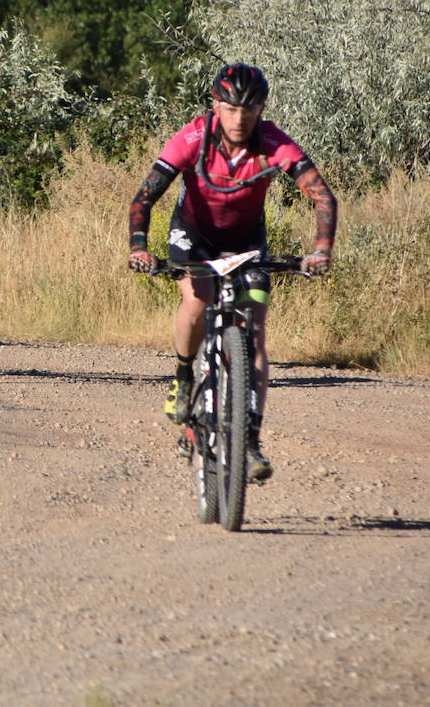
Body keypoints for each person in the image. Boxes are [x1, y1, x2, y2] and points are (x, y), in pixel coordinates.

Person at [126, 63, 337, 481]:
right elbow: (144, 198)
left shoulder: (273, 142)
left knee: (254, 328)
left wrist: (321, 250)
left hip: (246, 241)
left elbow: (323, 197)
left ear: (261, 109)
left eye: (249, 109)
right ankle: (184, 375)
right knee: (197, 299)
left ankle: (250, 440)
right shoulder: (192, 138)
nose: (240, 119)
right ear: (216, 107)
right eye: (231, 109)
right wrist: (139, 248)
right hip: (193, 235)